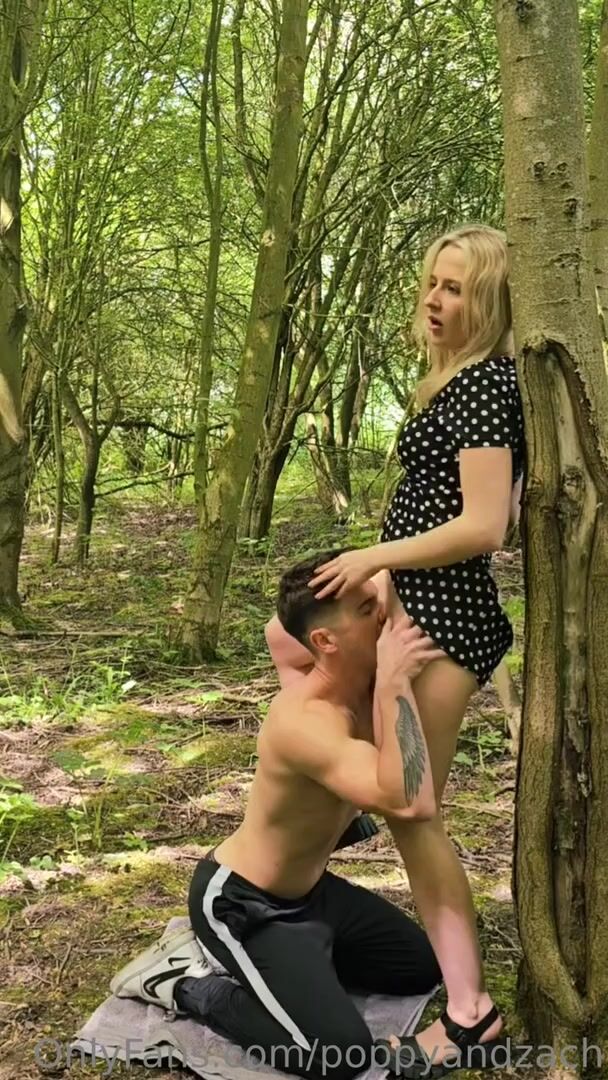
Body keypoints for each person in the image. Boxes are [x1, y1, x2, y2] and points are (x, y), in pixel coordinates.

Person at [110, 556, 504, 1079]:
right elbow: (410, 804)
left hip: (313, 895)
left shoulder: (349, 670)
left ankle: (296, 970)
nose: (384, 615)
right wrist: (394, 683)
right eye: (365, 610)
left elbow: (281, 628)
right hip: (244, 903)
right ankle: (188, 985)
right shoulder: (304, 721)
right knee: (340, 1055)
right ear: (323, 641)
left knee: (419, 969)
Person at [301, 224, 525, 1072]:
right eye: (433, 282)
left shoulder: (486, 386)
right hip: (412, 609)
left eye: (455, 288)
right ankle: (323, 856)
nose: (434, 300)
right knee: (392, 794)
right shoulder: (455, 379)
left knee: (414, 810)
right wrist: (386, 574)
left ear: (490, 300)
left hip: (441, 625)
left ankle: (471, 1015)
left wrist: (377, 557)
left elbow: (485, 525)